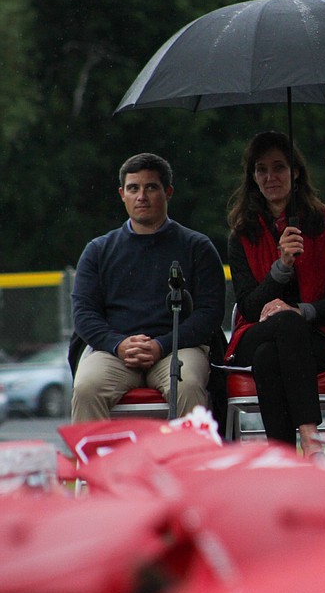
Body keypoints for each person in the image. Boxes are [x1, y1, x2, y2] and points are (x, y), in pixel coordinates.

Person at [224, 131, 325, 457]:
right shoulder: (242, 233)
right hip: (256, 332)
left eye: (279, 167)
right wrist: (281, 267)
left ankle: (282, 457)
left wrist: (302, 311)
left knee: (272, 351)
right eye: (261, 169)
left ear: (296, 171)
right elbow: (248, 306)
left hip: (322, 337)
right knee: (279, 332)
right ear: (252, 177)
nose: (270, 177)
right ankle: (311, 439)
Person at [72, 153, 225, 421]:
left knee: (187, 385)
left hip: (179, 347)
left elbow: (210, 314)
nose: (141, 196)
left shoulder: (197, 247)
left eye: (151, 187)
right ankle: (94, 463)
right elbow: (84, 314)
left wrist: (161, 345)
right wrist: (118, 344)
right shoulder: (98, 251)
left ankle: (190, 462)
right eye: (133, 188)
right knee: (86, 387)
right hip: (114, 351)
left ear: (168, 192)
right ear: (122, 194)